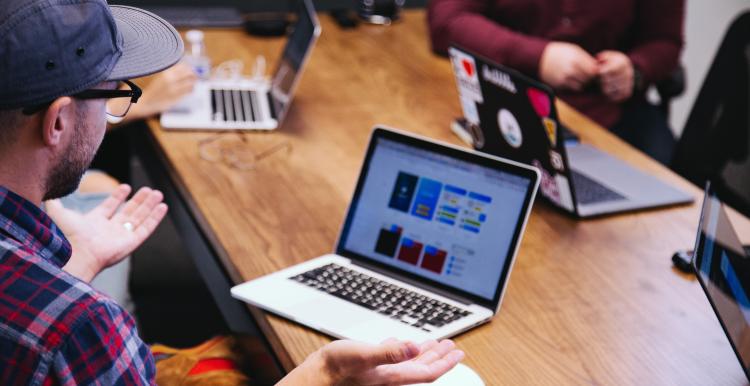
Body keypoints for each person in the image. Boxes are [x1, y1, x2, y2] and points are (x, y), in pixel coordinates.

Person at [0, 0, 463, 384]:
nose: (110, 116)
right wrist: (325, 372)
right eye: (112, 96)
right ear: (57, 122)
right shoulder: (81, 332)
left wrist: (80, 263)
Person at [428, 0, 685, 164]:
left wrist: (635, 69)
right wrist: (539, 56)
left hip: (606, 120)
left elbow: (665, 41)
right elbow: (448, 20)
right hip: (500, 97)